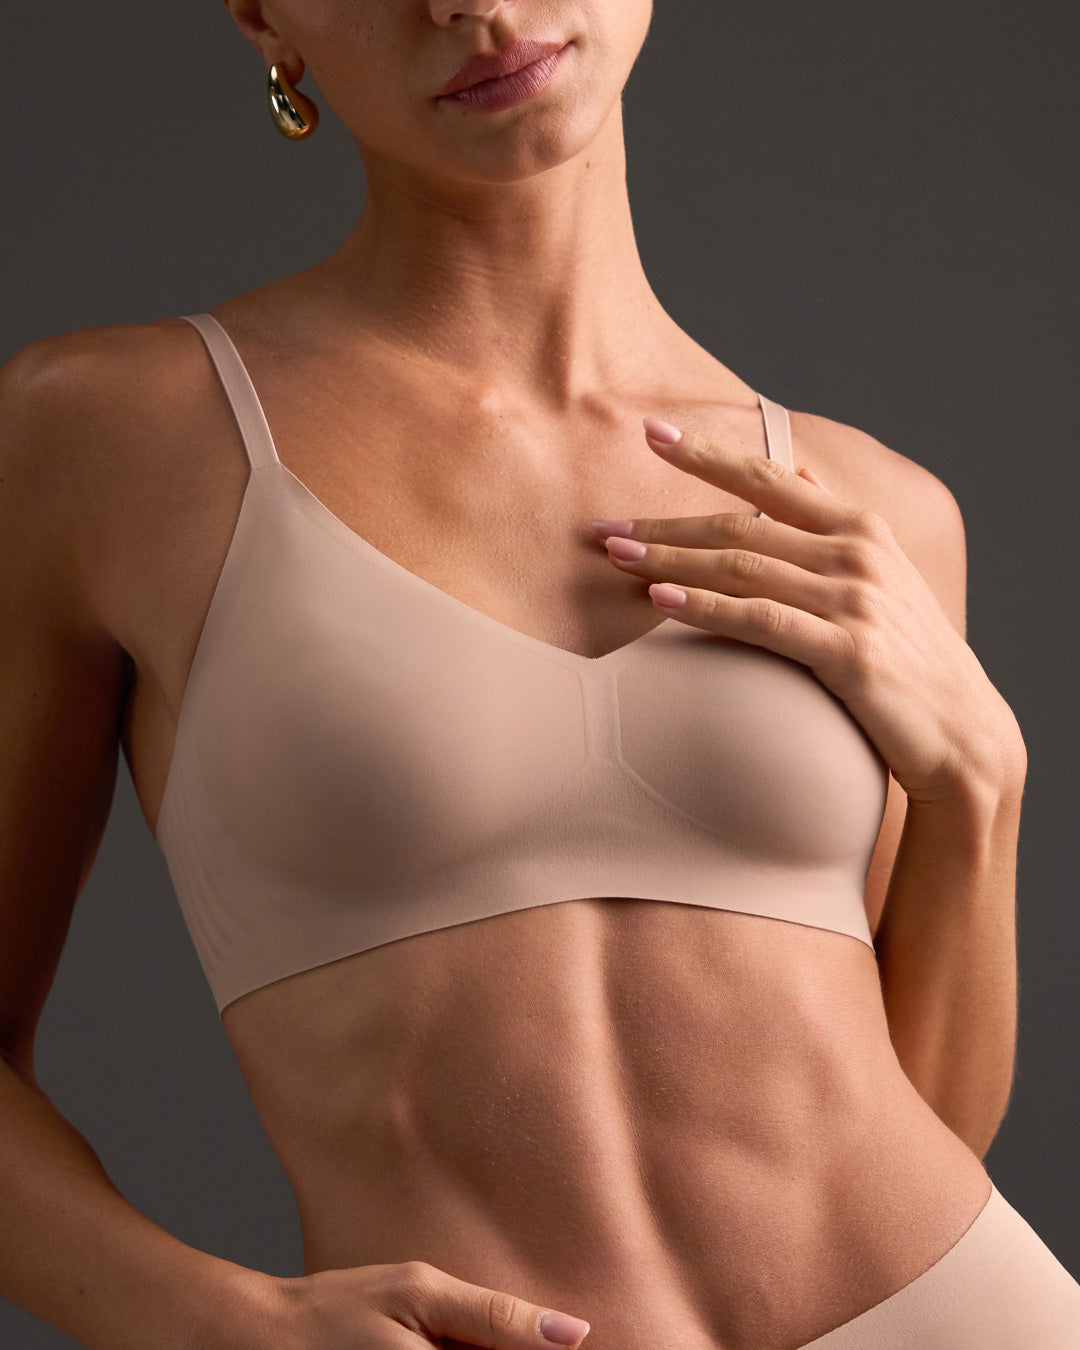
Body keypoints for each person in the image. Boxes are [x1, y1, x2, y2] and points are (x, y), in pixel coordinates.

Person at [2, 1, 1079, 1347]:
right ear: (265, 16)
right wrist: (216, 1319)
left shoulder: (875, 511)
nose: (474, 6)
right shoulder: (112, 439)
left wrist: (983, 793)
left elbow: (924, 1114)